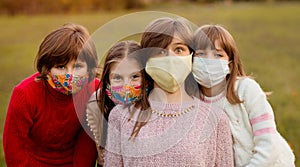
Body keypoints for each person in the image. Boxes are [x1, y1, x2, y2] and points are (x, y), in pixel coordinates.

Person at [104, 17, 234, 167]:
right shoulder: (120, 117)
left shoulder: (215, 120)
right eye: (160, 51)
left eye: (179, 49)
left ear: (191, 56)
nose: (171, 58)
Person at [192, 24, 295, 167]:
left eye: (218, 55)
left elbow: (269, 144)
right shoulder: (193, 101)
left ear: (230, 65)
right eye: (201, 54)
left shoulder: (246, 89)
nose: (209, 60)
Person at [3, 23, 99, 167]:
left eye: (78, 66)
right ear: (47, 68)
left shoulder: (94, 90)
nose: (70, 75)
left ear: (89, 67)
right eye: (61, 67)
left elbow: (87, 140)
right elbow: (14, 146)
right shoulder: (24, 94)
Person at [85, 40, 149, 167]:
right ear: (107, 79)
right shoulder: (97, 103)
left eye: (135, 76)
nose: (126, 86)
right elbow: (102, 155)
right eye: (117, 78)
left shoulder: (156, 102)